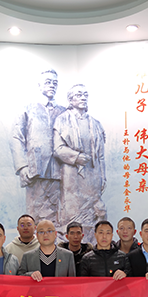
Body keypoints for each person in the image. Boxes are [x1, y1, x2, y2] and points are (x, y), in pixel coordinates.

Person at [10, 69, 66, 225]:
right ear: (39, 85)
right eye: (48, 82)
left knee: (57, 214)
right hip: (35, 169)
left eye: (55, 83)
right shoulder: (28, 109)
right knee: (35, 213)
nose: (52, 85)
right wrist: (22, 166)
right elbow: (16, 137)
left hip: (59, 170)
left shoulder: (64, 112)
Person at [53, 84, 107, 240]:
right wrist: (76, 157)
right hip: (72, 174)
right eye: (78, 95)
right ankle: (71, 243)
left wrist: (102, 176)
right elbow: (58, 148)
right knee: (73, 211)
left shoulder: (95, 124)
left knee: (94, 212)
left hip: (93, 174)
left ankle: (91, 243)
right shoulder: (62, 120)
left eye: (85, 95)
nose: (83, 98)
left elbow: (101, 155)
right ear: (70, 99)